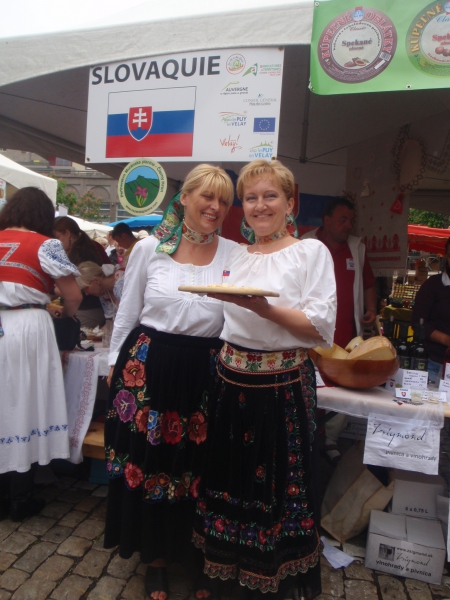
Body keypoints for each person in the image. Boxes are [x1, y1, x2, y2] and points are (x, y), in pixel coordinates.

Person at [193, 160, 336, 600]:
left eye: (270, 195)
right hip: (229, 380)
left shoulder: (310, 252)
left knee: (277, 487)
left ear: (290, 203)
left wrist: (265, 309)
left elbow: (320, 328)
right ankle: (224, 573)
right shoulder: (234, 253)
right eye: (251, 198)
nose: (260, 205)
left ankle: (273, 578)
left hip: (282, 385)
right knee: (229, 479)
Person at [104, 165, 237, 600]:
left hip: (205, 371)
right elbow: (128, 311)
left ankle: (197, 555)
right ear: (184, 198)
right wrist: (113, 363)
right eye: (207, 196)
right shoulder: (150, 249)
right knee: (153, 461)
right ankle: (156, 558)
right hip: (150, 367)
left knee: (200, 466)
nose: (215, 207)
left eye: (223, 200)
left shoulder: (235, 254)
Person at [0, 187, 82, 521]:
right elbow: (73, 296)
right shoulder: (45, 244)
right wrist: (64, 314)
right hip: (27, 326)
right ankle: (20, 496)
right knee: (26, 402)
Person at [301, 197, 376, 464]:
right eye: (343, 219)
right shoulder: (305, 244)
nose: (348, 225)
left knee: (342, 389)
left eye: (351, 220)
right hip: (310, 334)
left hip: (345, 336)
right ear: (327, 220)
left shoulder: (357, 248)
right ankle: (305, 436)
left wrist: (371, 308)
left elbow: (368, 283)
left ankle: (331, 439)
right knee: (310, 385)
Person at [53, 216, 111, 328]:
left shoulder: (79, 253)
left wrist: (51, 291)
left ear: (67, 233)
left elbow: (72, 290)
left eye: (57, 237)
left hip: (88, 309)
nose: (55, 242)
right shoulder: (91, 246)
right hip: (96, 307)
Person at [412, 238, 450, 383]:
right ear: (446, 257)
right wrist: (446, 339)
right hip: (434, 364)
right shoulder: (432, 286)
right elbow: (418, 322)